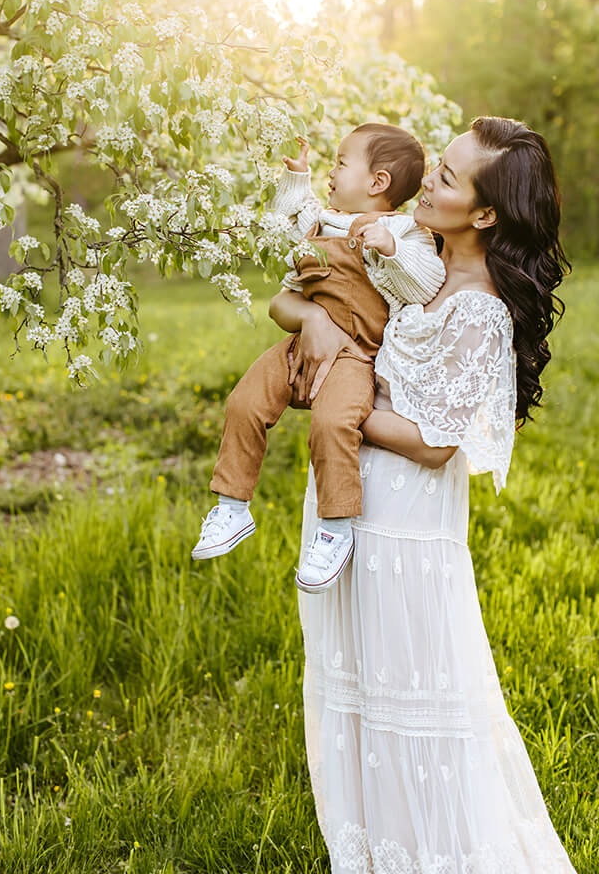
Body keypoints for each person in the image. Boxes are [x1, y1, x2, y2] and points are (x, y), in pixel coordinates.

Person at [276, 117, 573, 870]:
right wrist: (316, 324)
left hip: (404, 531)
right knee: (359, 695)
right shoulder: (418, 268)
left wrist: (339, 397)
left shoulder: (477, 308)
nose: (428, 183)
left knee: (414, 707)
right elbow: (322, 286)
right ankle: (376, 851)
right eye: (435, 166)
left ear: (485, 214)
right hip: (354, 505)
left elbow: (435, 440)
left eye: (448, 177)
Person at [195, 125, 441, 592]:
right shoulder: (324, 219)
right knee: (244, 403)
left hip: (355, 357)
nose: (332, 171)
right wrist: (298, 178)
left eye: (341, 163)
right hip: (299, 344)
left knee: (332, 425)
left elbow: (426, 282)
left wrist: (391, 252)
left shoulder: (403, 231)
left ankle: (336, 528)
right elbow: (292, 218)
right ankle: (231, 507)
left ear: (378, 182)